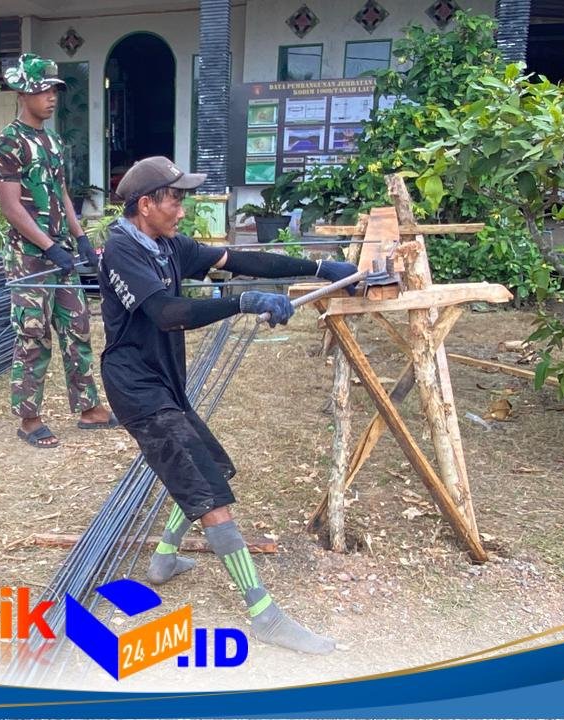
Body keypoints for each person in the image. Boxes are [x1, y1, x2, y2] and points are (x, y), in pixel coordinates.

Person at [98, 155, 360, 654]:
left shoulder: (168, 245)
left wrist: (320, 268)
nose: (182, 209)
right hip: (137, 388)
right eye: (175, 200)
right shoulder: (122, 250)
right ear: (146, 204)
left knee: (212, 467)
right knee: (209, 495)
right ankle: (264, 615)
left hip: (163, 380)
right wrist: (241, 302)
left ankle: (164, 558)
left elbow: (240, 261)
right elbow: (168, 313)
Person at [0, 53, 115, 449]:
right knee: (33, 334)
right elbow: (11, 207)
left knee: (77, 326)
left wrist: (81, 238)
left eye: (55, 91)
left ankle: (89, 408)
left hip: (60, 252)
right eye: (44, 90)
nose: (52, 97)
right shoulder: (8, 142)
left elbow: (61, 193)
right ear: (23, 93)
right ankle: (29, 420)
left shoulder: (53, 141)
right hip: (29, 259)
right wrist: (48, 246)